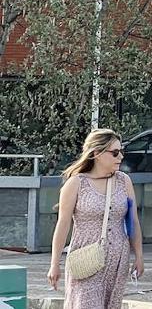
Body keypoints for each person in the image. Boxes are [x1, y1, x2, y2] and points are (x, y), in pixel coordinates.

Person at [48, 129, 143, 308]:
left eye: (122, 151)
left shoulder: (124, 181)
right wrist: (55, 263)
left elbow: (134, 221)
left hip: (117, 259)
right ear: (96, 153)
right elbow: (63, 224)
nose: (120, 157)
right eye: (115, 153)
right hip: (86, 258)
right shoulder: (76, 183)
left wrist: (139, 255)